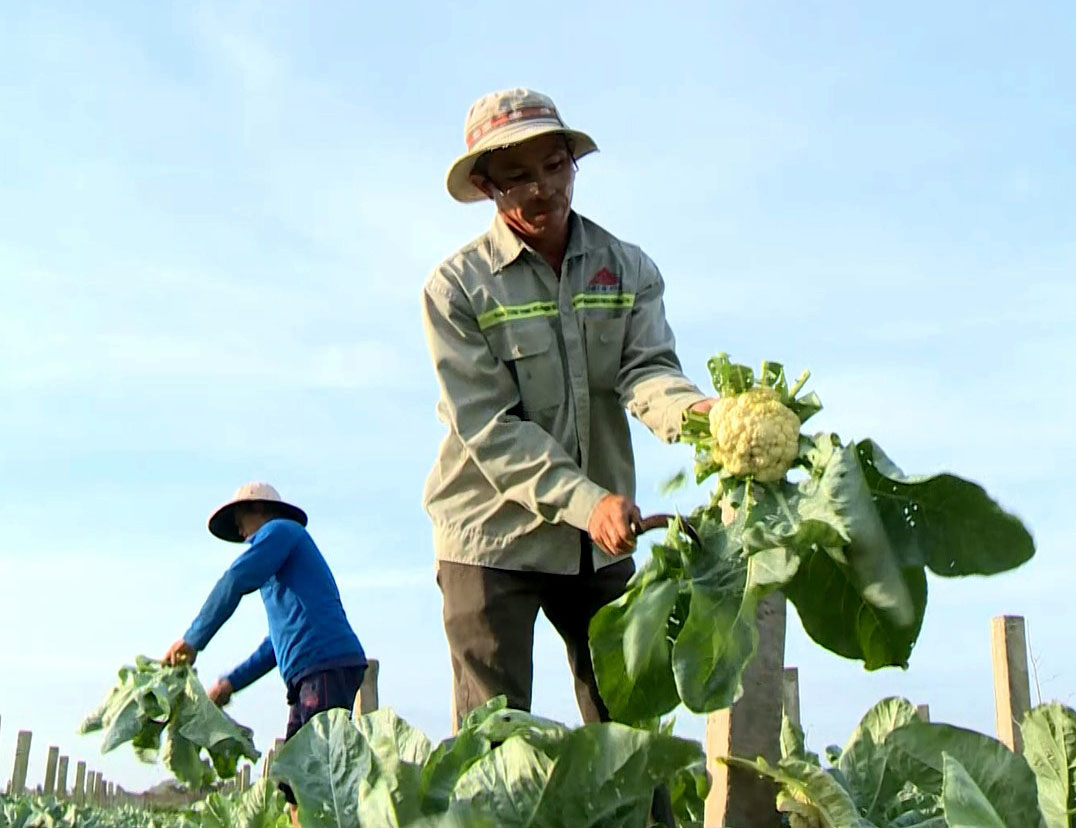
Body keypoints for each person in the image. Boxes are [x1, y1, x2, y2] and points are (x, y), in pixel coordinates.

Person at [421, 88, 717, 733]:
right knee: (494, 746)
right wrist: (590, 504)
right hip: (490, 537)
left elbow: (647, 372)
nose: (543, 189)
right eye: (518, 177)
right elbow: (490, 428)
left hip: (601, 545)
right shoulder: (456, 289)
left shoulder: (626, 267)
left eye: (555, 166)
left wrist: (706, 419)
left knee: (628, 734)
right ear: (486, 185)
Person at [162, 483, 366, 800]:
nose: (242, 533)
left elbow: (235, 580)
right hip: (312, 673)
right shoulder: (282, 572)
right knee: (294, 782)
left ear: (260, 510)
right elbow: (274, 647)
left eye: (240, 519)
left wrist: (193, 640)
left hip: (324, 667)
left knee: (316, 780)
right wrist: (230, 683)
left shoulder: (282, 531)